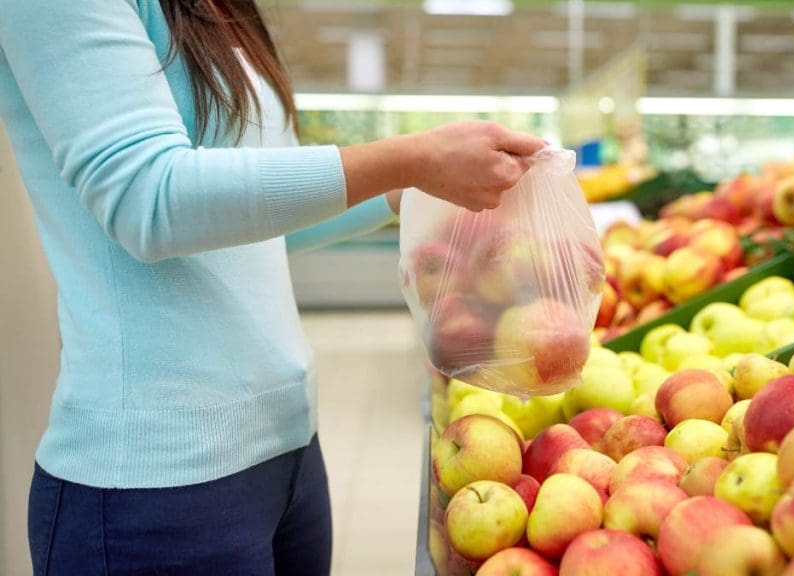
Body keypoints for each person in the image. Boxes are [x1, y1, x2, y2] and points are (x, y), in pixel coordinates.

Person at [0, 1, 546, 574]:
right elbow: (148, 198)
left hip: (288, 451)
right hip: (154, 486)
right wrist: (410, 159)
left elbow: (260, 226)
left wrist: (422, 188)